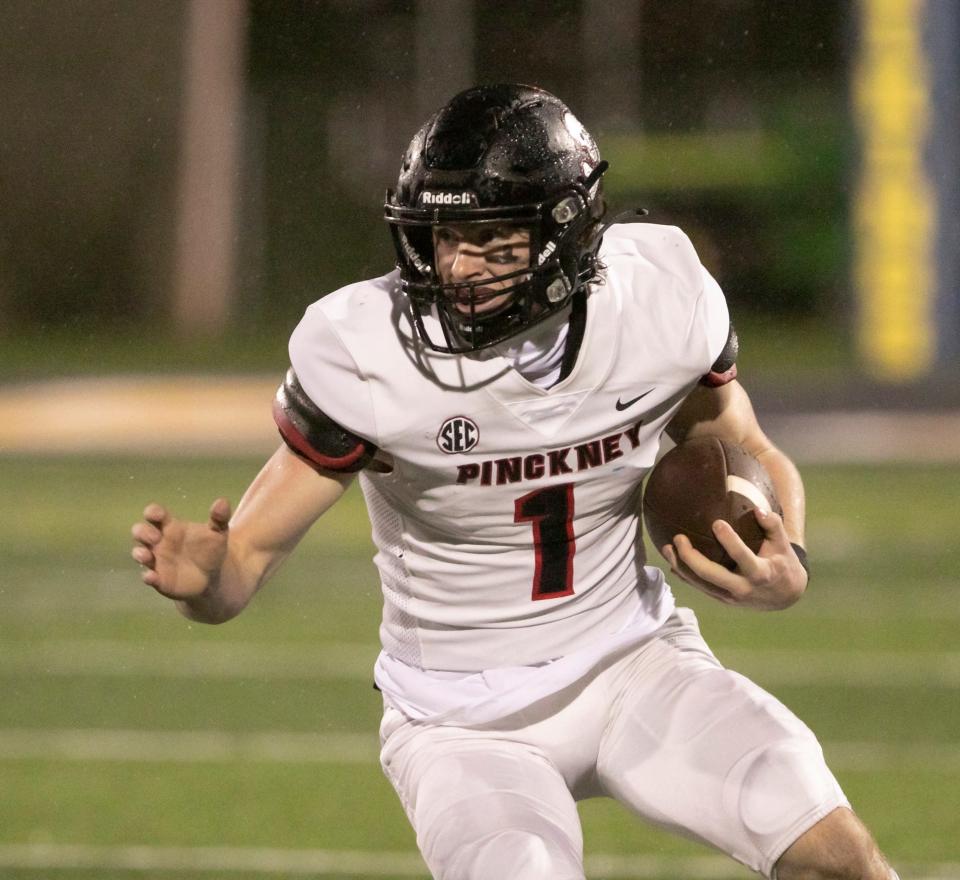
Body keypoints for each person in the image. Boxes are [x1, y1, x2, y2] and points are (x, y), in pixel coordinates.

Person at [131, 84, 897, 880]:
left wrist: (788, 562)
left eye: (495, 241)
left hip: (636, 663)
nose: (460, 268)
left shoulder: (658, 301)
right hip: (460, 721)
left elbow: (743, 446)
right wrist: (206, 581)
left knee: (839, 856)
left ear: (567, 236)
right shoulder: (368, 351)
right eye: (446, 237)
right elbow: (244, 564)